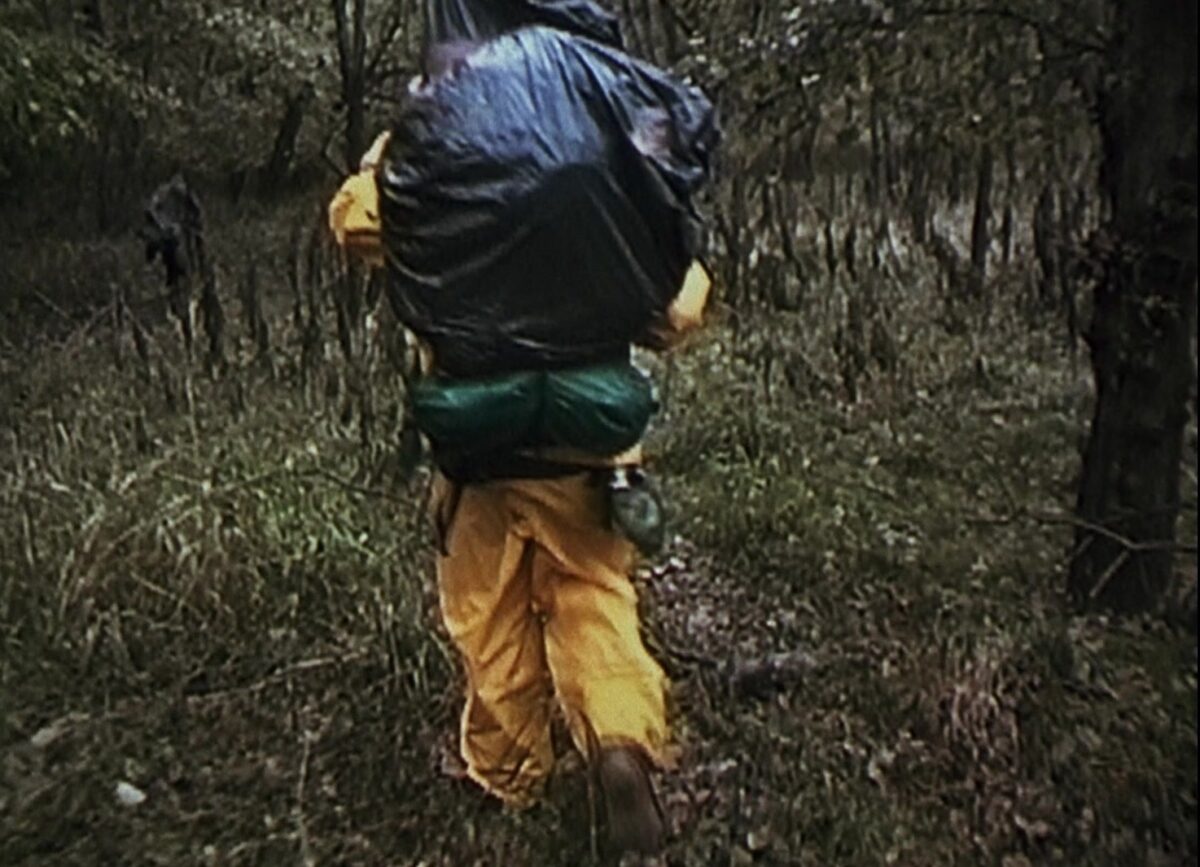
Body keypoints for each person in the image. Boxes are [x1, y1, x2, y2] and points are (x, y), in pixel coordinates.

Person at [328, 51, 711, 858]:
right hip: (591, 451)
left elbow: (353, 221)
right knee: (595, 594)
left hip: (479, 453)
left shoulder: (433, 167)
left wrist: (395, 141)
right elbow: (680, 306)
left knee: (487, 615)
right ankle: (617, 740)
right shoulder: (595, 169)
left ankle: (510, 777)